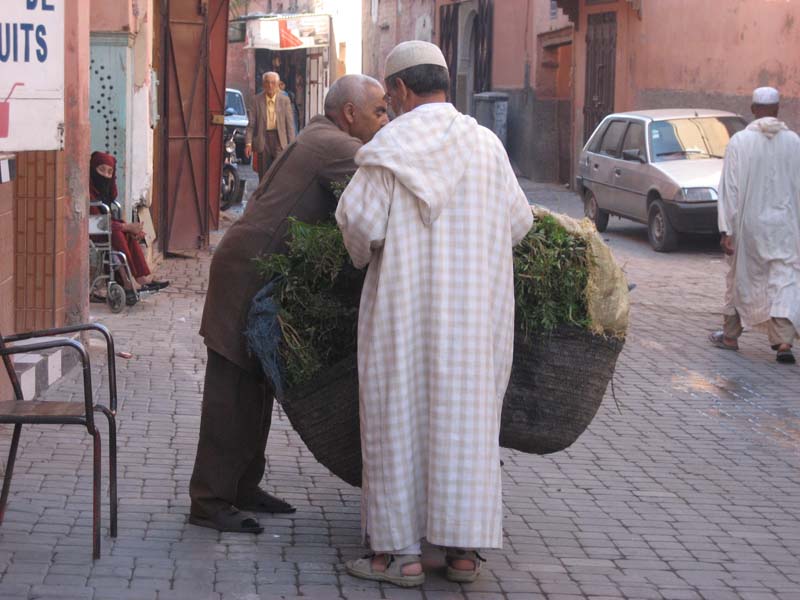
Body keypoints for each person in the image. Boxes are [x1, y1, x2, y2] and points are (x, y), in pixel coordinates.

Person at [335, 41, 533, 587]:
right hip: (473, 322)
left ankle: (397, 556)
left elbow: (358, 230)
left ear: (397, 91)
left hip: (404, 318)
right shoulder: (487, 146)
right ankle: (463, 552)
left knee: (396, 418)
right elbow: (519, 223)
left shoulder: (388, 149)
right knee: (465, 426)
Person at [189, 74, 389, 534]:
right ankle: (209, 499)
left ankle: (241, 486)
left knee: (257, 385)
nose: (386, 120)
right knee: (231, 390)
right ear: (350, 113)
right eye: (380, 111)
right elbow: (386, 184)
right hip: (247, 270)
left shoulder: (321, 134)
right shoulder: (336, 146)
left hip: (255, 269)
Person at [709, 86, 800, 363]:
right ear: (777, 109)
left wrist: (728, 229)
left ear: (752, 110)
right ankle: (783, 342)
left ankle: (730, 336)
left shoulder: (739, 142)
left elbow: (731, 188)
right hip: (785, 225)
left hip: (750, 225)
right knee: (784, 279)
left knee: (741, 277)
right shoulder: (794, 142)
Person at [89, 151, 168, 303]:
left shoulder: (105, 195)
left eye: (109, 172)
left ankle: (142, 277)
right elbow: (97, 221)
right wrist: (126, 227)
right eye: (101, 170)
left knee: (125, 234)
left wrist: (129, 229)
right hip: (93, 230)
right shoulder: (89, 193)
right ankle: (128, 280)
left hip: (106, 229)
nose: (105, 176)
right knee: (118, 233)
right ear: (93, 170)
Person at [245, 71, 296, 181]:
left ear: (278, 84)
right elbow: (251, 125)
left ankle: (276, 196)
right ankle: (263, 197)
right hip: (263, 140)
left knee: (279, 173)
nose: (270, 85)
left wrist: (291, 146)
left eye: (273, 83)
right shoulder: (256, 100)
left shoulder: (284, 100)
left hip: (279, 140)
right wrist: (248, 143)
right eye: (267, 82)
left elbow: (290, 125)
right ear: (263, 84)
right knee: (263, 176)